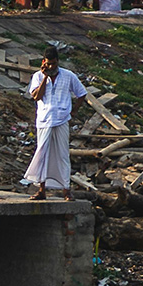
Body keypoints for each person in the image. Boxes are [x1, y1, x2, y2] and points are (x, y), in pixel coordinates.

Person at [23, 47, 89, 201]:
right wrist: (45, 77)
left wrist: (73, 112)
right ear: (43, 62)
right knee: (42, 153)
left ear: (57, 61)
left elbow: (82, 93)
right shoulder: (38, 76)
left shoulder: (68, 75)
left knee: (62, 154)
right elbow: (36, 97)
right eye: (48, 64)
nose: (51, 67)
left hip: (61, 119)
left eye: (54, 64)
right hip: (44, 120)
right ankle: (41, 190)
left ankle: (66, 190)